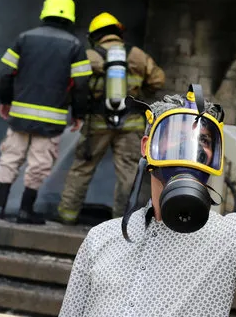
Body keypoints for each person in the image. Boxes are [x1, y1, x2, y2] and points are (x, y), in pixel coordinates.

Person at [58, 87, 236, 317]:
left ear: (214, 155)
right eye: (176, 136)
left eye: (203, 140)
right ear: (147, 147)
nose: (189, 149)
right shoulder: (101, 238)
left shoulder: (232, 237)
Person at [56, 12, 165, 225]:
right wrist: (140, 88)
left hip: (97, 122)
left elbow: (73, 84)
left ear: (95, 35)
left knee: (82, 167)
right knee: (128, 172)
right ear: (118, 32)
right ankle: (120, 222)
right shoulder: (136, 55)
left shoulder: (89, 55)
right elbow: (158, 80)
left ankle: (67, 216)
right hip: (130, 123)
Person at [0, 0, 91, 224]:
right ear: (70, 18)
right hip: (52, 120)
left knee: (10, 158)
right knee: (39, 165)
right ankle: (25, 211)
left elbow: (6, 72)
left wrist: (5, 100)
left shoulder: (24, 38)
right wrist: (78, 114)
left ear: (44, 12)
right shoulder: (75, 46)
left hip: (19, 117)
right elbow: (82, 84)